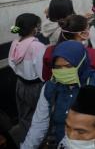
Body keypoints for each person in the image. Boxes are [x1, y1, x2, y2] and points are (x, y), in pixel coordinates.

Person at [22, 41, 95, 148]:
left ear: (81, 63)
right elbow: (39, 125)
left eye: (68, 66)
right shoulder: (50, 87)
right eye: (58, 67)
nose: (63, 71)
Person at [8, 14, 46, 144]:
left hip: (20, 84)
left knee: (24, 116)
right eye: (38, 25)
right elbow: (42, 72)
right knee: (41, 117)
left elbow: (11, 63)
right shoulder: (37, 46)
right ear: (34, 28)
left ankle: (25, 140)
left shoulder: (15, 42)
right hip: (36, 87)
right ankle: (41, 143)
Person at [42, 14, 95, 81]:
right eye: (88, 28)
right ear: (82, 34)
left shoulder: (49, 51)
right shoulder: (93, 54)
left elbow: (46, 77)